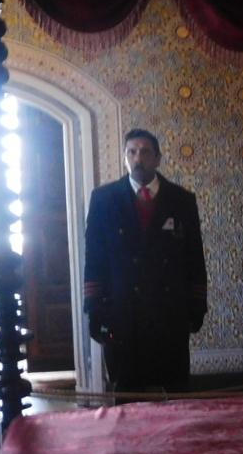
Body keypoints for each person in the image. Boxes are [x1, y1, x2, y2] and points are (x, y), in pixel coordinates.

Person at [84, 128, 207, 394]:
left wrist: (197, 305)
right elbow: (94, 259)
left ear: (158, 158)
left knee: (174, 391)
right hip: (122, 314)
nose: (138, 158)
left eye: (145, 152)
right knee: (127, 395)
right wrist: (94, 309)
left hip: (169, 314)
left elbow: (194, 257)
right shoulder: (104, 200)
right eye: (132, 152)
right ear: (125, 157)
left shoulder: (182, 200)